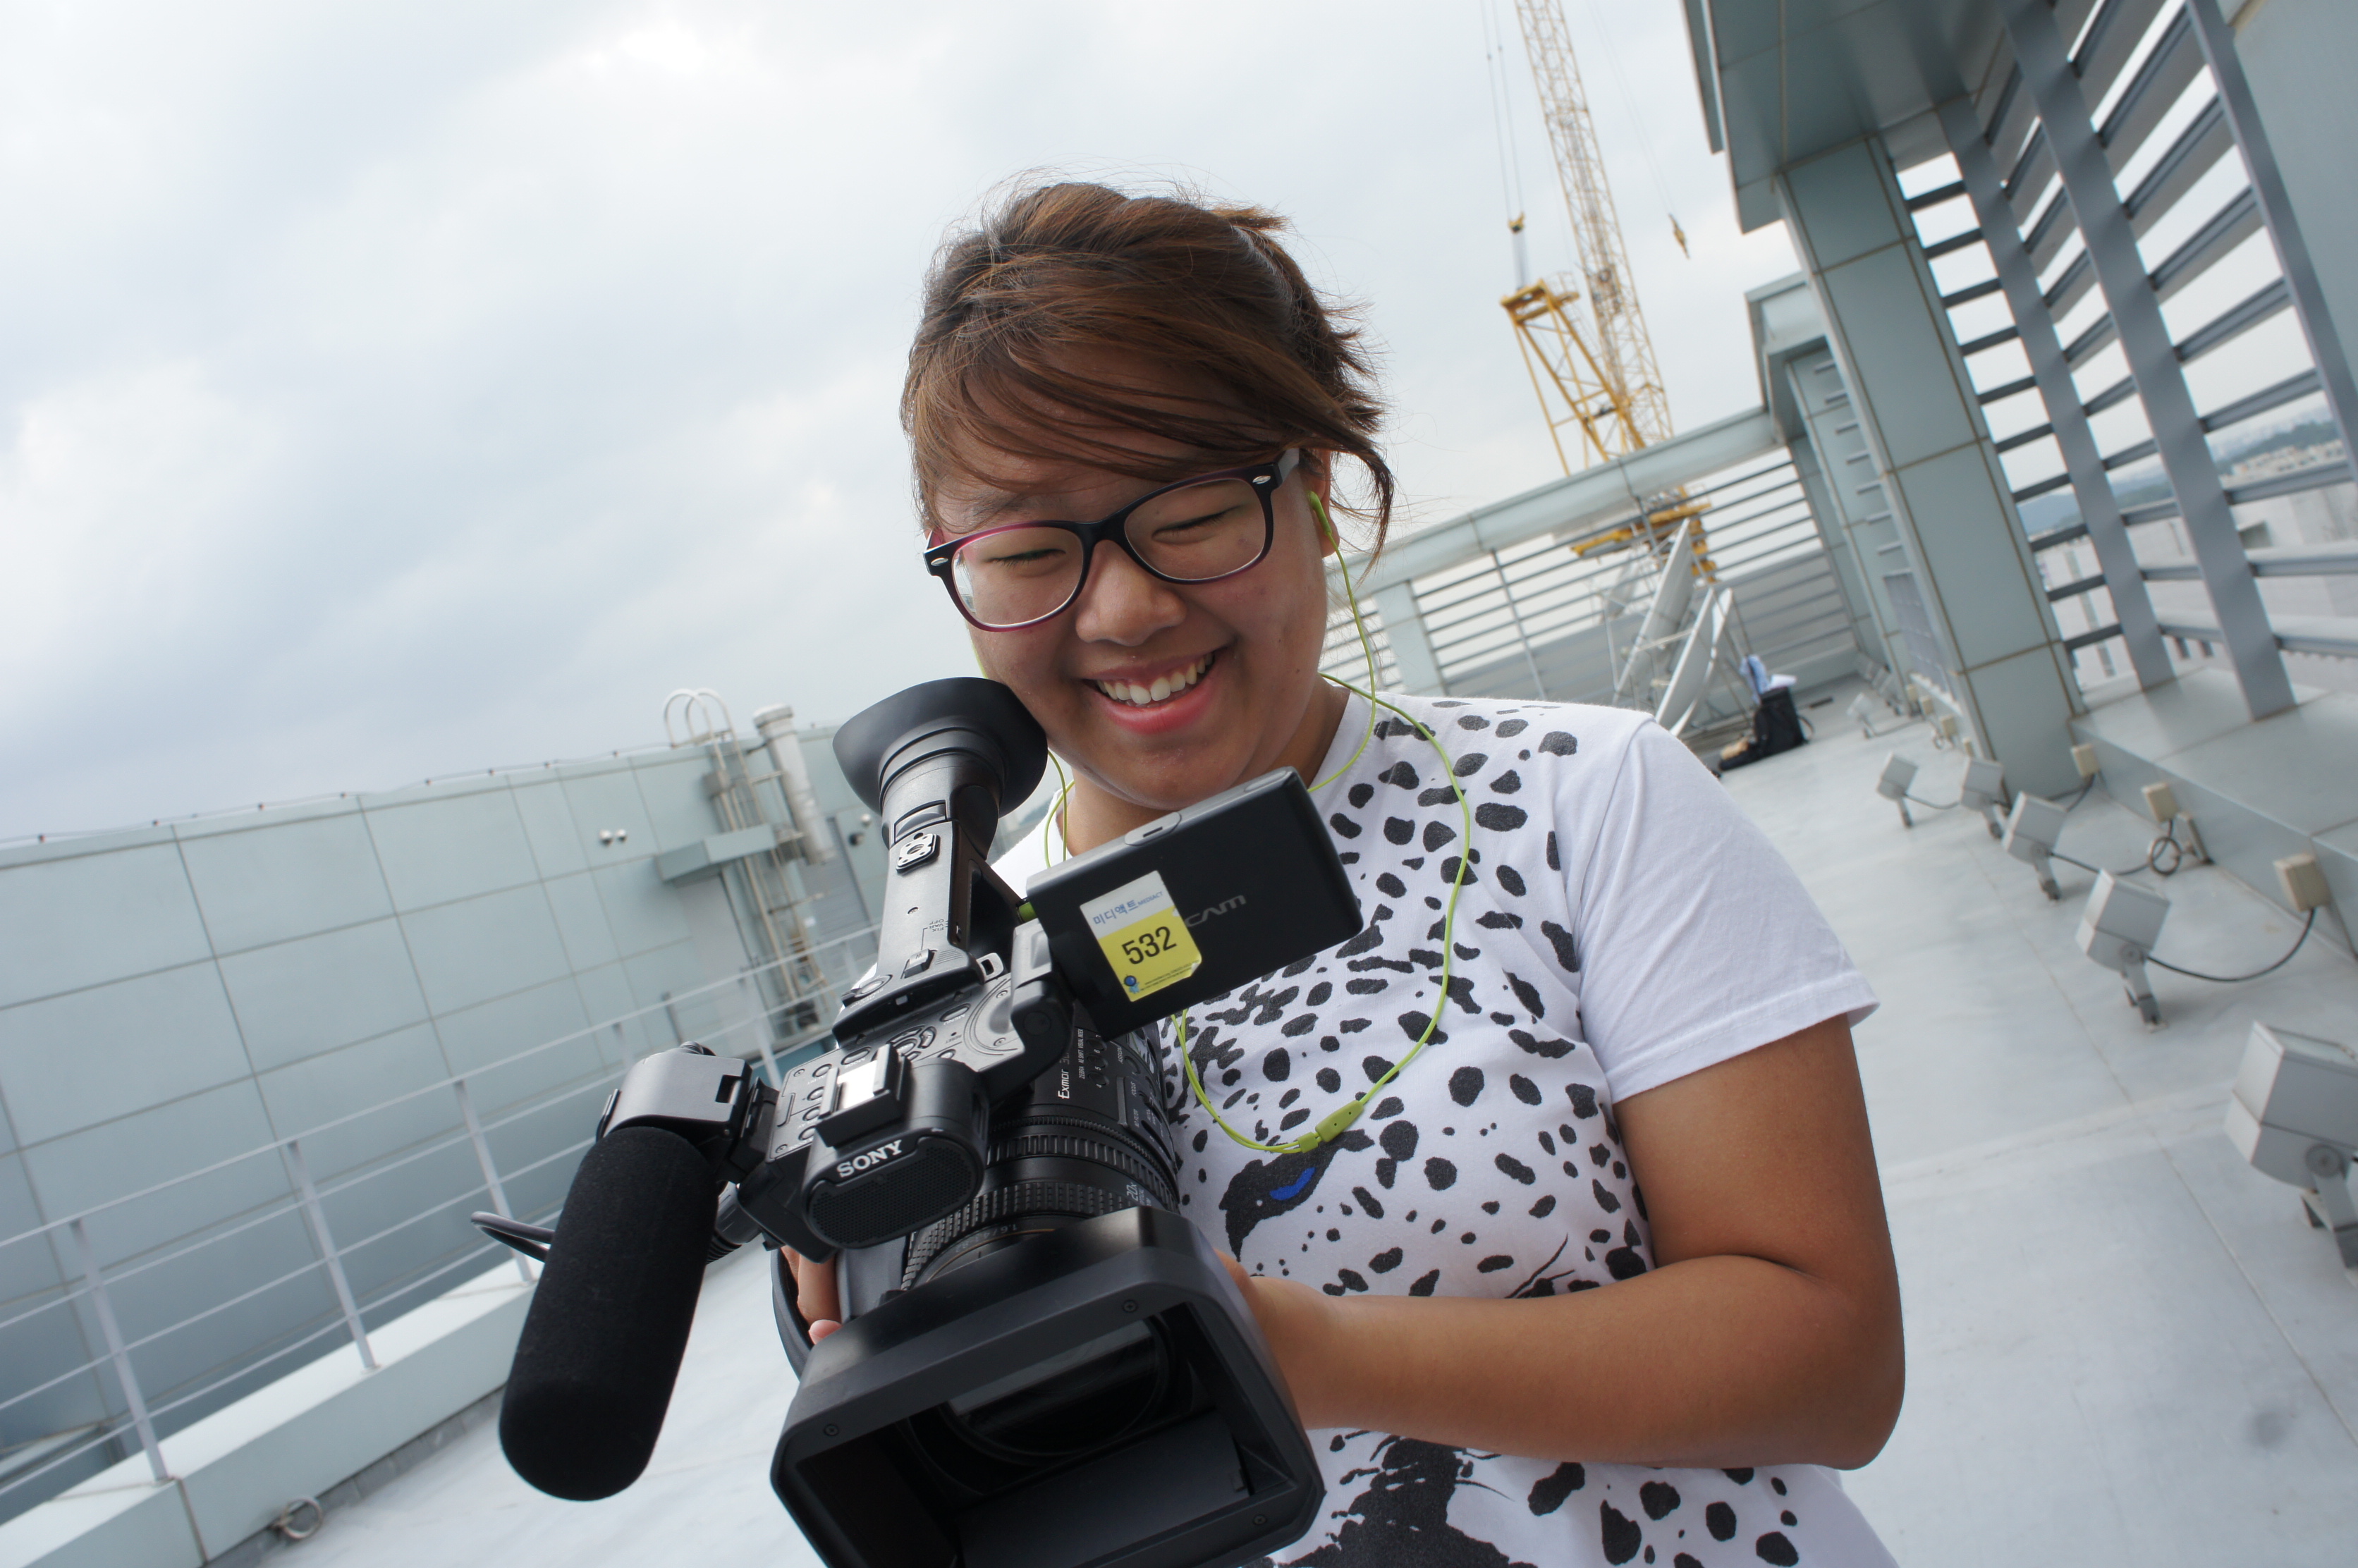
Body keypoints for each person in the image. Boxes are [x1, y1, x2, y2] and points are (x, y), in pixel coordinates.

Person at [790, 180, 1902, 1568]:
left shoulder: (1583, 795)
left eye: (1195, 510)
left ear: (1313, 487)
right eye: (1025, 551)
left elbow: (1833, 1358)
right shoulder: (958, 985)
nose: (1124, 608)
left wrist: (1305, 1352)